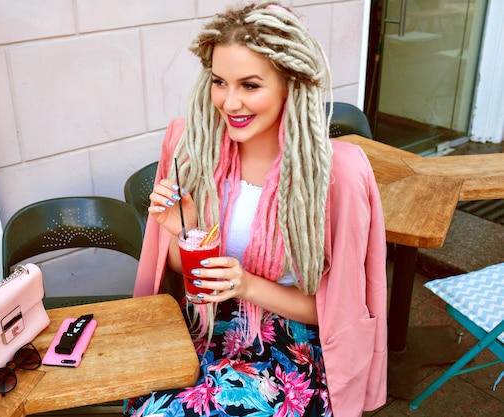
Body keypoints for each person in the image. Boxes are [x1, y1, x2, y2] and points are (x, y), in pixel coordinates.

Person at [129, 2, 387, 416]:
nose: (229, 103)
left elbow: (334, 312)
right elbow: (188, 273)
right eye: (219, 82)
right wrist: (183, 231)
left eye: (250, 85)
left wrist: (246, 285)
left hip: (291, 342)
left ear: (291, 84)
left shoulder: (337, 175)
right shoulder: (193, 149)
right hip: (205, 325)